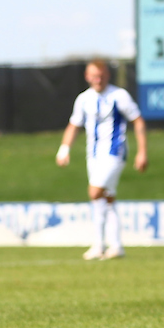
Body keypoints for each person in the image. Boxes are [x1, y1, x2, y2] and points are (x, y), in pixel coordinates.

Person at [56, 59, 148, 261]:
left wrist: (142, 151)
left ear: (107, 75)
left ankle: (98, 244)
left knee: (94, 191)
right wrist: (64, 149)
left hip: (115, 152)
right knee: (107, 198)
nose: (98, 80)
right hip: (94, 154)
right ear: (87, 77)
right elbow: (74, 125)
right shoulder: (83, 99)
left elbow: (138, 121)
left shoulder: (119, 95)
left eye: (101, 76)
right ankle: (116, 246)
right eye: (94, 76)